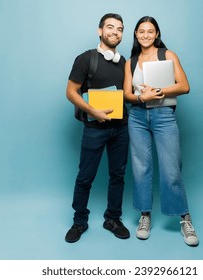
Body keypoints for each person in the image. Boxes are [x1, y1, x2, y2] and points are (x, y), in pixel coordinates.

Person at [123, 16, 199, 246]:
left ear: (157, 34)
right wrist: (140, 97)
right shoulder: (131, 62)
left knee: (171, 169)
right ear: (136, 34)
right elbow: (126, 94)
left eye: (150, 31)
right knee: (140, 169)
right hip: (136, 118)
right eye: (141, 31)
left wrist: (157, 91)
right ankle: (144, 215)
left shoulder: (168, 55)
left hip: (163, 116)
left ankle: (184, 219)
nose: (146, 35)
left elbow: (184, 86)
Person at [64, 13, 130, 243]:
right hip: (94, 128)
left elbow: (127, 94)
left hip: (121, 129)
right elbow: (71, 92)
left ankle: (112, 218)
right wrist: (93, 111)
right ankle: (79, 221)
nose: (115, 32)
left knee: (118, 175)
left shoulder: (124, 63)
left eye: (120, 29)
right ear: (100, 31)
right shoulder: (85, 59)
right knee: (85, 177)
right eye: (110, 27)